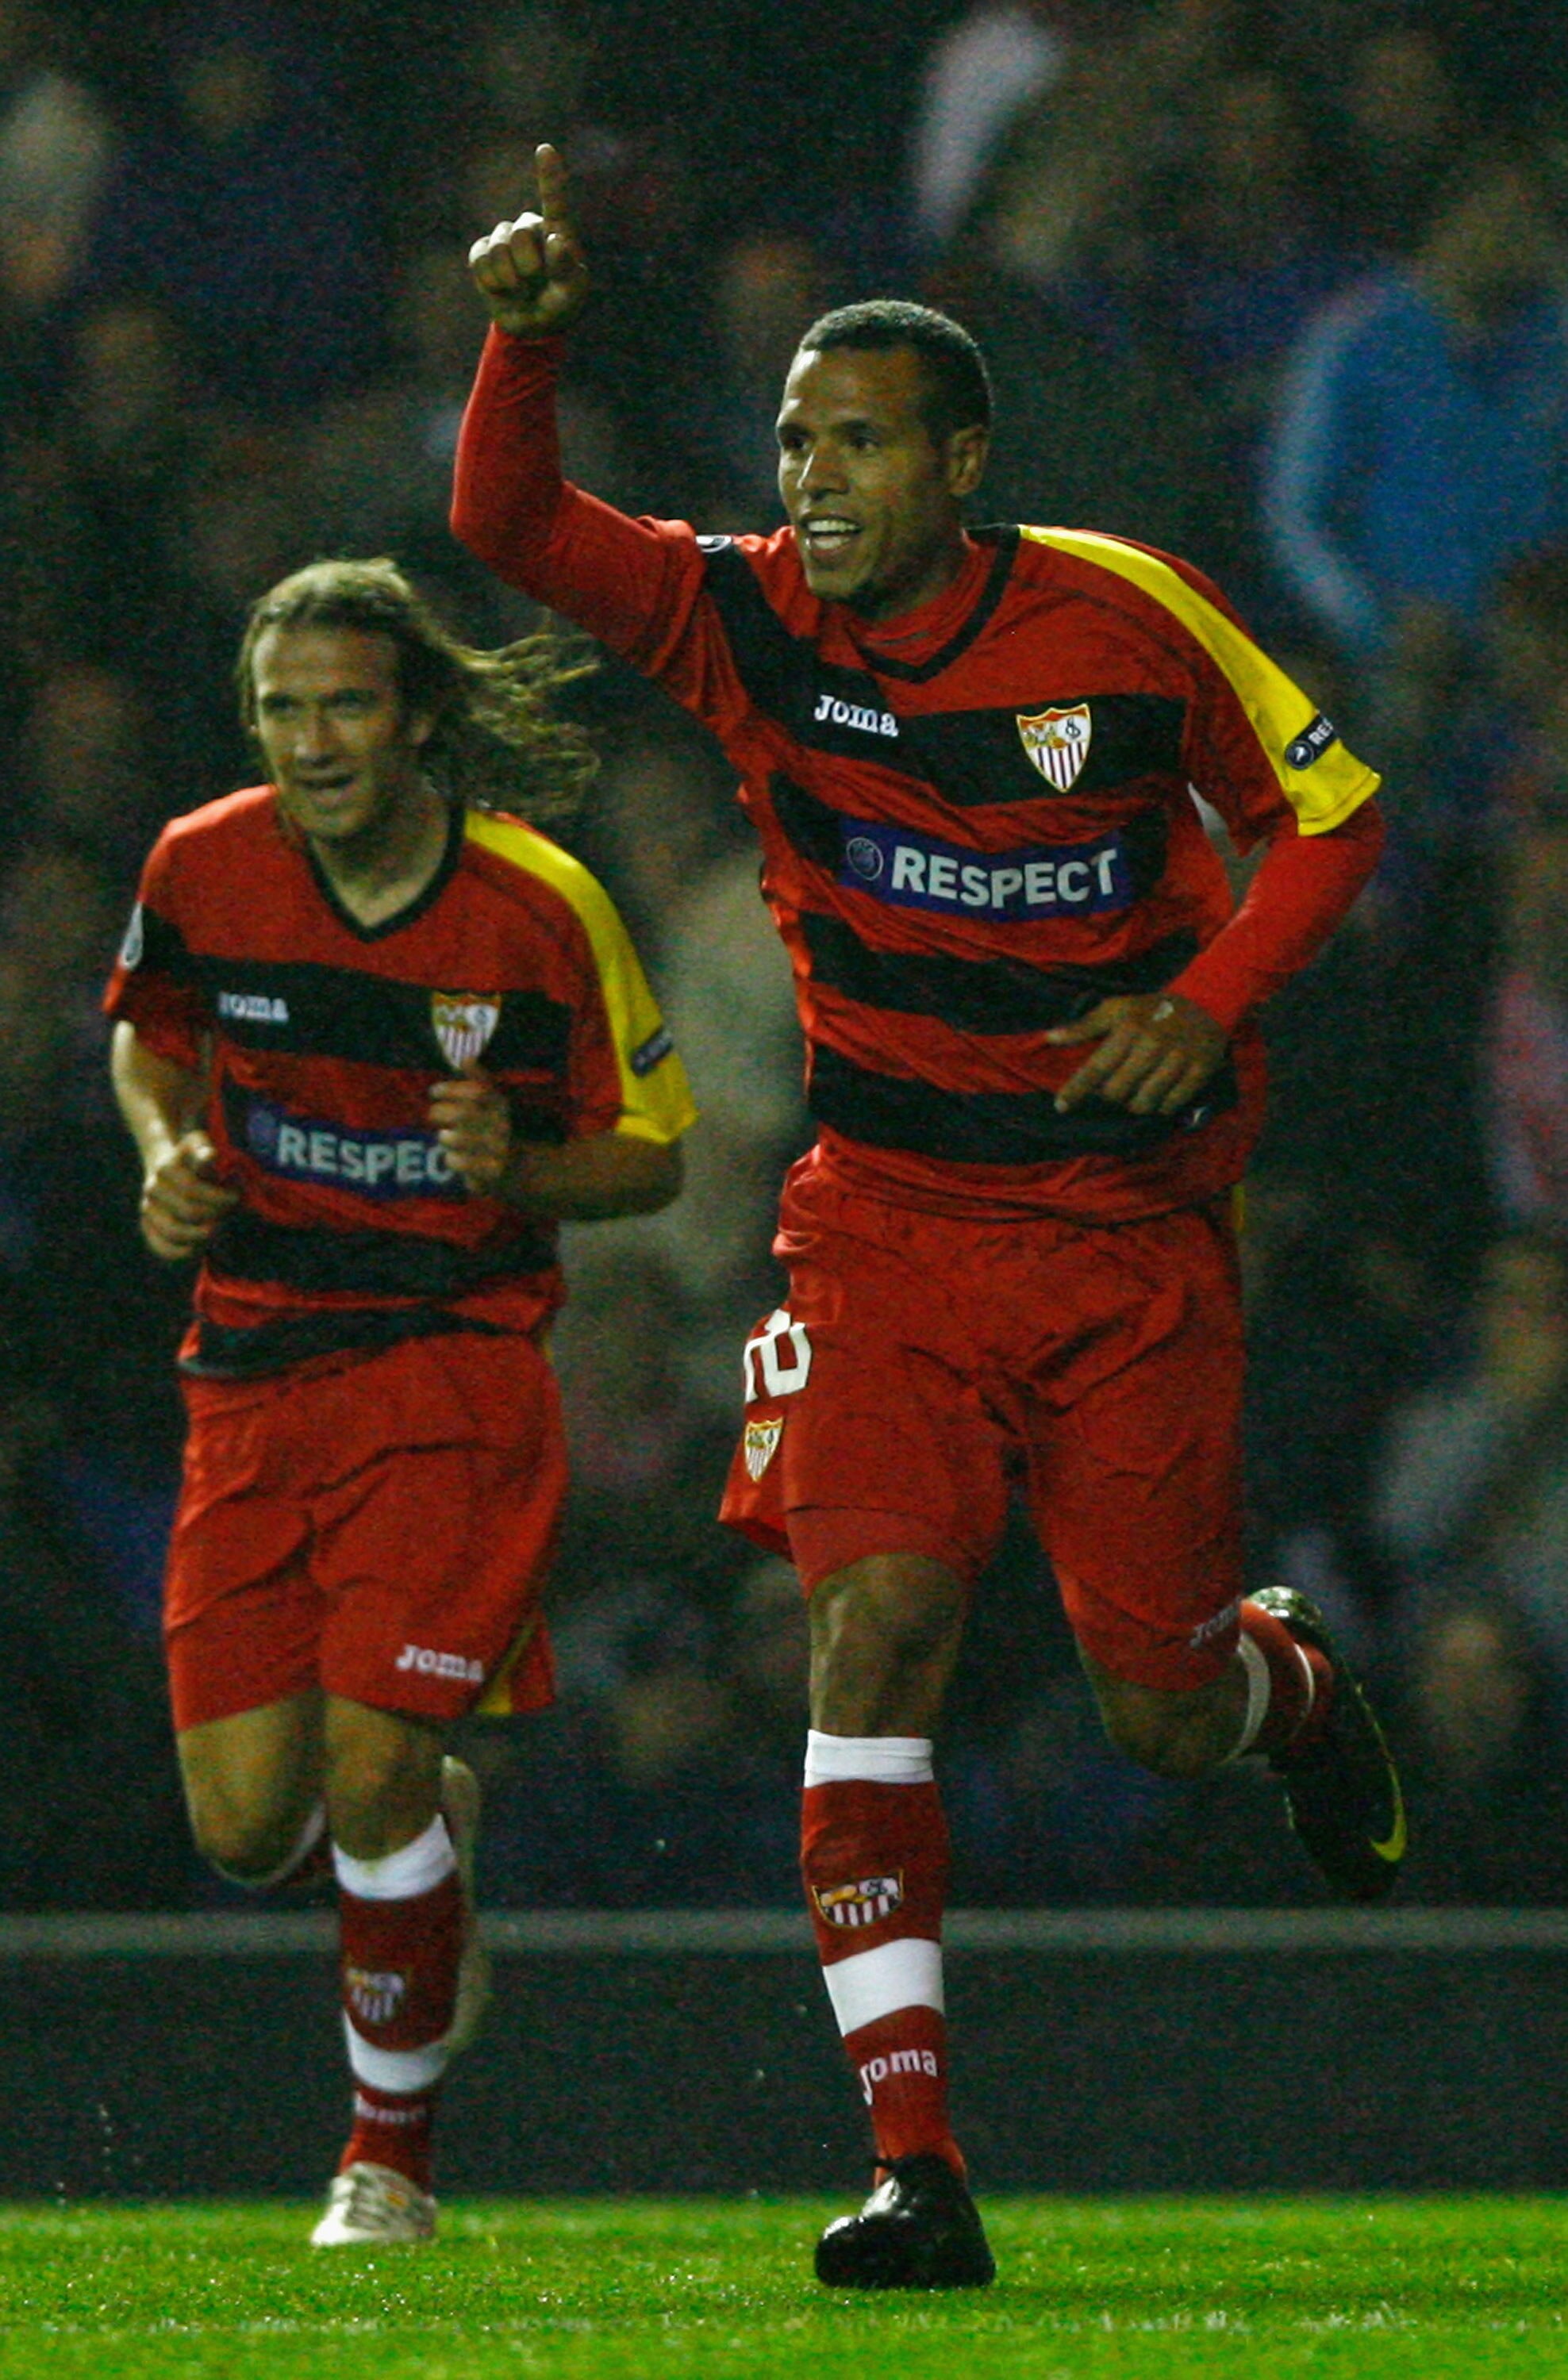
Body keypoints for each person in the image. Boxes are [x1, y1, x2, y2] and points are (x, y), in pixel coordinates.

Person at [453, 147, 1405, 2292]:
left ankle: (1290, 1696)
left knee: (1155, 1701)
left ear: (963, 461)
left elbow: (1332, 817)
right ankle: (918, 2168)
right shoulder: (746, 621)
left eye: (860, 439)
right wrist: (526, 346)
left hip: (1123, 1240)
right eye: (796, 439)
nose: (815, 475)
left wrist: (1202, 995)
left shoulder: (1121, 619)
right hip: (881, 1229)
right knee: (868, 1636)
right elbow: (505, 528)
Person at [104, 555, 694, 2246]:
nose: (311, 740)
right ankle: (419, 1856)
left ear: (419, 718)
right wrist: (168, 1151)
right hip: (252, 1379)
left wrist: (527, 1163)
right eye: (281, 710)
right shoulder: (200, 869)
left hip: (448, 1374)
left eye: (346, 703)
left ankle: (390, 2163)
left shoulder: (536, 905)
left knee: (366, 1773)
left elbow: (652, 1159)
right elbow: (146, 1034)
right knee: (240, 1831)